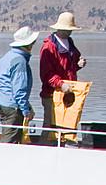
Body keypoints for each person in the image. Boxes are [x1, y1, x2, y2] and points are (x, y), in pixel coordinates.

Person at [37, 12, 86, 141]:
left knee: (67, 126)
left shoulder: (70, 42)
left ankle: (62, 149)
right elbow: (46, 74)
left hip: (68, 93)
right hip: (52, 94)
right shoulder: (49, 47)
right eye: (68, 29)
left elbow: (70, 67)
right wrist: (61, 84)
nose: (70, 32)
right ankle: (44, 149)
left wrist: (79, 64)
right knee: (50, 126)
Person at [0, 27, 38, 144]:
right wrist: (25, 110)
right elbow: (19, 89)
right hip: (12, 106)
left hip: (2, 102)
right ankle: (4, 160)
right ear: (28, 44)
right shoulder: (20, 61)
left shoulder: (7, 56)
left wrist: (27, 106)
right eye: (32, 43)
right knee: (10, 140)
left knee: (8, 133)